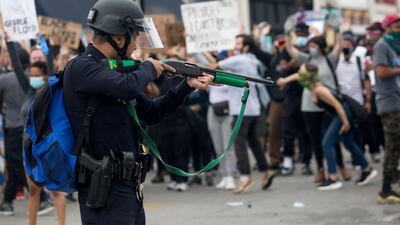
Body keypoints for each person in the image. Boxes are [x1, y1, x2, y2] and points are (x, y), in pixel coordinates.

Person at [63, 0, 213, 224]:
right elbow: (128, 87)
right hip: (103, 186)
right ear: (119, 38)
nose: (136, 46)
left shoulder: (114, 70)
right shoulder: (83, 66)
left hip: (127, 185)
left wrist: (186, 86)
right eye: (134, 38)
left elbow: (153, 111)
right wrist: (150, 67)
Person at [278, 64, 377, 190]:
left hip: (342, 114)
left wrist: (345, 123)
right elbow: (297, 76)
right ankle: (366, 168)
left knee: (327, 143)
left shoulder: (319, 89)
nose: (299, 74)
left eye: (302, 71)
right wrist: (284, 80)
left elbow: (338, 105)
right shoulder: (310, 84)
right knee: (349, 143)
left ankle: (332, 178)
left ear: (308, 75)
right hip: (338, 115)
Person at [5, 35, 65, 225]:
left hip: (49, 145)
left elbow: (50, 65)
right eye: (31, 74)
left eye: (37, 75)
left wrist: (45, 45)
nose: (33, 78)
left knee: (56, 190)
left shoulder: (50, 90)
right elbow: (16, 64)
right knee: (33, 191)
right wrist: (10, 42)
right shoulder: (28, 89)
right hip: (30, 145)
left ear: (45, 76)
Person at [217, 34, 275, 194]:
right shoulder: (252, 60)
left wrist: (204, 53)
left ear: (247, 46)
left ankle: (245, 177)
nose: (235, 46)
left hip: (241, 109)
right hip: (253, 108)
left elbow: (217, 64)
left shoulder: (240, 59)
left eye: (238, 43)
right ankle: (265, 171)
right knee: (253, 141)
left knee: (239, 144)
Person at [373, 13, 400, 204]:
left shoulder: (395, 47)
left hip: (397, 102)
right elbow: (381, 72)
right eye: (397, 26)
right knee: (392, 147)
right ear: (388, 28)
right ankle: (385, 190)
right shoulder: (382, 46)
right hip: (389, 104)